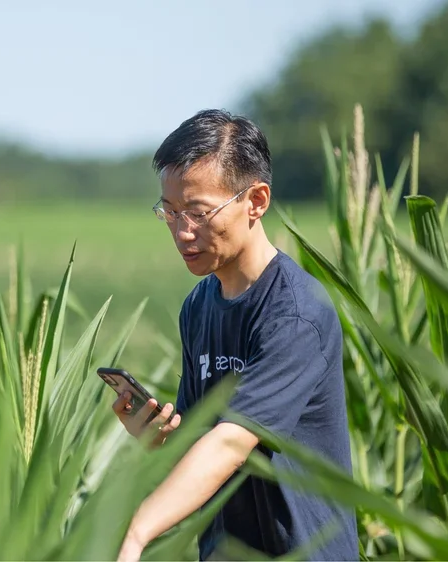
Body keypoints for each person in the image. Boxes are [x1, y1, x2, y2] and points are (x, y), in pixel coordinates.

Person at [111, 110, 358, 561]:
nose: (183, 232)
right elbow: (203, 443)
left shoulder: (296, 315)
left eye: (199, 213)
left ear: (256, 201)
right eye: (169, 212)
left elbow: (231, 444)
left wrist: (137, 529)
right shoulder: (199, 306)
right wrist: (160, 439)